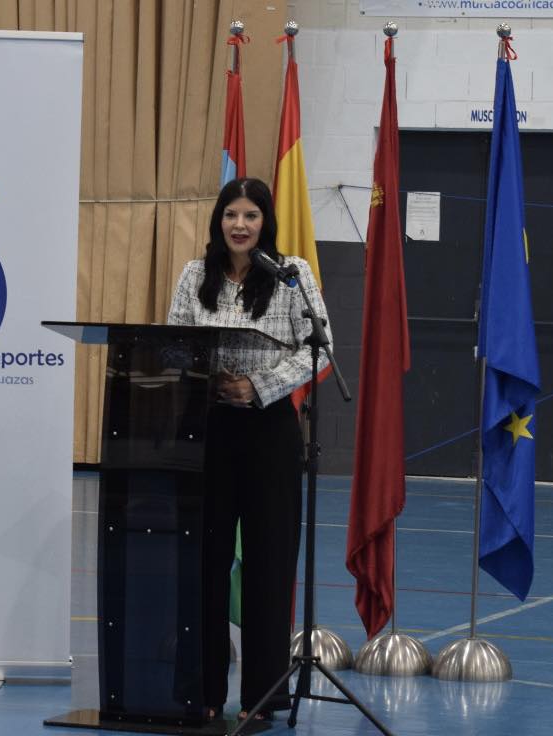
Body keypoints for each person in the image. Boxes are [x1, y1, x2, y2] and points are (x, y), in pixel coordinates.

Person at [166, 177, 332, 721]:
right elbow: (173, 343)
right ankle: (203, 692)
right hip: (207, 429)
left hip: (268, 431)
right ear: (219, 220)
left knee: (268, 562)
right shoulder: (195, 275)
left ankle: (263, 695)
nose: (240, 225)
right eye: (231, 215)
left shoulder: (291, 275)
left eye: (251, 216)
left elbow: (319, 348)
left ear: (266, 222)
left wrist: (258, 387)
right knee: (204, 561)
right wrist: (209, 377)